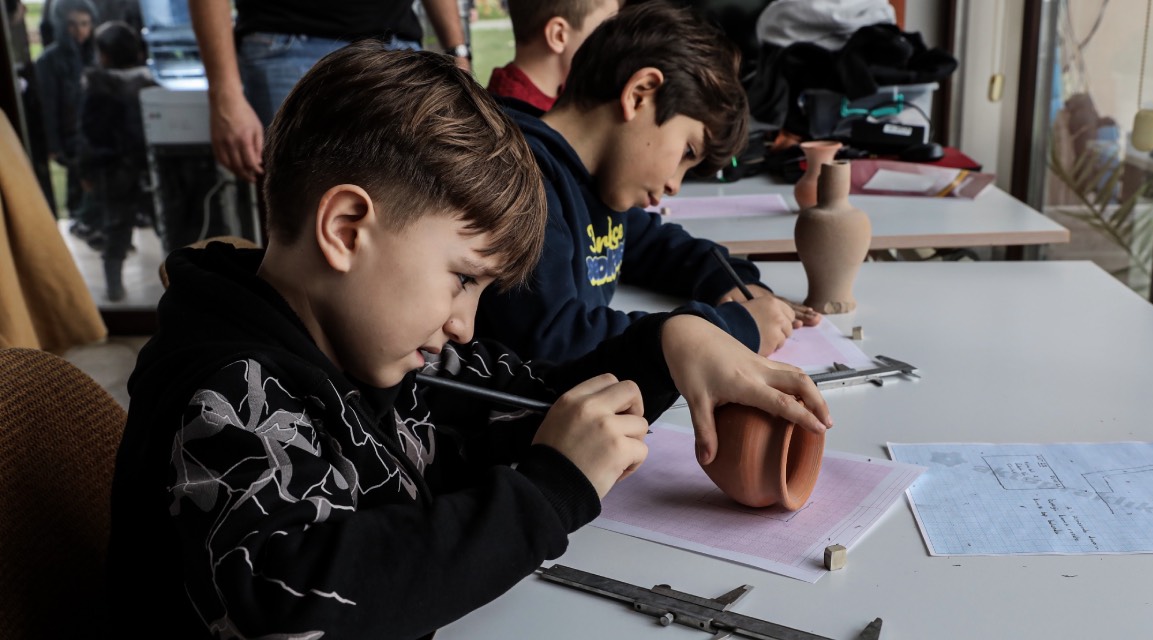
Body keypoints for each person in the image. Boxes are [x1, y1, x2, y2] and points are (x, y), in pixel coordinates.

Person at [103, 42, 832, 639]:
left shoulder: (380, 350)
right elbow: (289, 604)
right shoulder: (225, 393)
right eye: (462, 279)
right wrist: (548, 493)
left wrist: (672, 343)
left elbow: (537, 403)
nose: (466, 324)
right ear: (347, 230)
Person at [476, 1, 820, 364]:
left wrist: (728, 279)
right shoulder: (524, 183)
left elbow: (653, 245)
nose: (675, 186)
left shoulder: (594, 182)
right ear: (640, 94)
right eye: (687, 151)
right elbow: (556, 340)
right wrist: (725, 331)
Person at [188, 0, 472, 184]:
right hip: (289, 44)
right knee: (306, 227)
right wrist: (224, 93)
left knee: (414, 203)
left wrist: (457, 52)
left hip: (399, 47)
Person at [79, 21, 157, 302]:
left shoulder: (97, 88)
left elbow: (88, 135)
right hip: (150, 171)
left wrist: (86, 170)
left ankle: (114, 288)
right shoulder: (150, 85)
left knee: (116, 230)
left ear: (105, 55)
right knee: (165, 225)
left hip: (114, 172)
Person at [487, 0, 619, 115]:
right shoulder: (515, 118)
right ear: (559, 35)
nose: (612, 44)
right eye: (605, 32)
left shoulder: (568, 89)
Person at [34, 0, 98, 236]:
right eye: (73, 24)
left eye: (85, 23)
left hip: (96, 135)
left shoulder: (96, 54)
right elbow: (48, 107)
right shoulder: (48, 61)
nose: (80, 30)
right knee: (78, 187)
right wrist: (53, 145)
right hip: (70, 136)